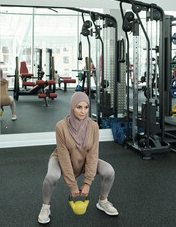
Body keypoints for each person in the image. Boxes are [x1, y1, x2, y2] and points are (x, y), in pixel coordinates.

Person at [38, 92, 118, 224]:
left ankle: (103, 201)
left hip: (84, 159)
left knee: (109, 171)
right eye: (79, 107)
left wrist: (87, 183)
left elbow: (93, 154)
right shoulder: (61, 126)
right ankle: (45, 207)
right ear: (72, 107)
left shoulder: (93, 126)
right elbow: (64, 157)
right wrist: (73, 185)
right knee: (51, 176)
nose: (83, 111)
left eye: (86, 107)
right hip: (61, 159)